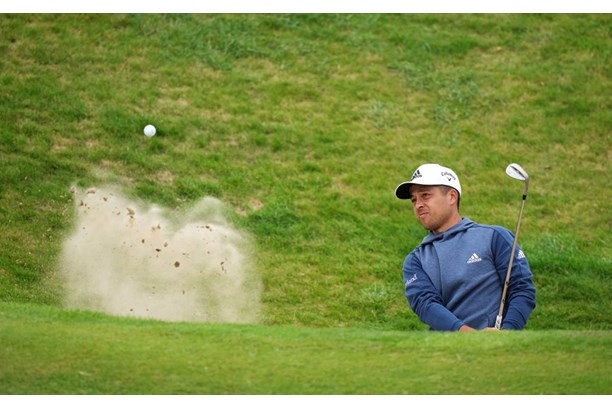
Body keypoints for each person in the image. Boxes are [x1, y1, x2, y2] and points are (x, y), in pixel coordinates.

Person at [395, 163, 536, 331]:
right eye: (414, 200)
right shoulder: (415, 260)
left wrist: (507, 333)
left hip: (499, 347)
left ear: (452, 197)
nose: (418, 204)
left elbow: (522, 289)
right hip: (445, 352)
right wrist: (469, 336)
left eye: (425, 195)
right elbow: (426, 305)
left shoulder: (495, 237)